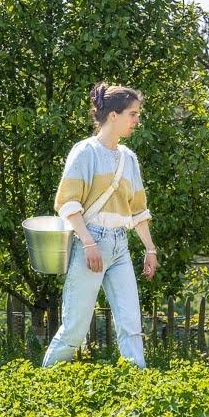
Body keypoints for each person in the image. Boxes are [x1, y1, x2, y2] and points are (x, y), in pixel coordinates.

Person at [43, 84, 157, 368]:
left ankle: (140, 393)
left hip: (120, 246)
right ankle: (43, 384)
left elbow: (138, 210)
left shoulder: (129, 158)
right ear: (114, 115)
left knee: (131, 323)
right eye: (132, 114)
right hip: (90, 242)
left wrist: (150, 249)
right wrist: (89, 243)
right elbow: (68, 205)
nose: (136, 121)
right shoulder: (85, 153)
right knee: (74, 328)